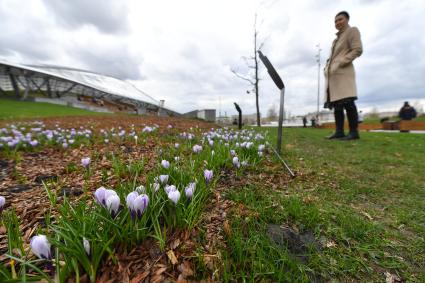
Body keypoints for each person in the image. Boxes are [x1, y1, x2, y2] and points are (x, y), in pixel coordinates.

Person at [324, 11, 363, 140]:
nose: (337, 23)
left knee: (348, 102)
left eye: (340, 19)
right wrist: (327, 67)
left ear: (347, 19)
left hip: (344, 73)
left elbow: (357, 49)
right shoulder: (335, 40)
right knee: (337, 105)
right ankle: (339, 131)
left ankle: (353, 132)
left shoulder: (352, 31)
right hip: (333, 77)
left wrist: (341, 62)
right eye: (335, 21)